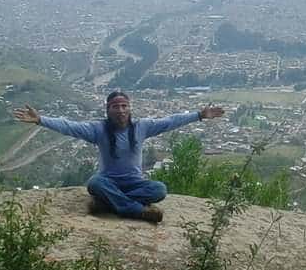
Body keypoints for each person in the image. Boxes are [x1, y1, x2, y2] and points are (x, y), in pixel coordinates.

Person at [14, 91, 224, 223]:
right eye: (116, 106)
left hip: (134, 183)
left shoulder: (141, 127)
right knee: (95, 183)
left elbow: (170, 121)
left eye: (124, 106)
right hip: (108, 182)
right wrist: (41, 120)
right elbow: (70, 126)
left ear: (130, 108)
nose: (121, 110)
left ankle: (109, 205)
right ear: (108, 110)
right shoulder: (98, 130)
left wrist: (198, 115)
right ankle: (136, 210)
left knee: (159, 189)